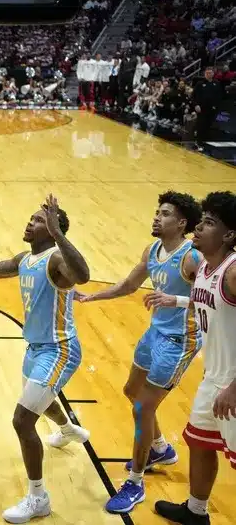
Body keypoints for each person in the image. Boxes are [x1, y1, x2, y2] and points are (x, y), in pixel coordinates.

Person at [0, 195, 91, 524]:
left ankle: (38, 498)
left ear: (51, 229)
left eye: (37, 220)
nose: (29, 223)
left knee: (22, 420)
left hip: (59, 349)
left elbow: (83, 276)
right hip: (35, 348)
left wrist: (59, 234)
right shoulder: (26, 258)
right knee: (42, 402)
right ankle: (67, 429)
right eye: (32, 219)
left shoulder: (56, 258)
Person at [75, 191, 203, 514]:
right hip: (155, 333)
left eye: (165, 213)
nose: (157, 217)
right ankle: (159, 448)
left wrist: (178, 301)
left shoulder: (192, 258)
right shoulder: (153, 250)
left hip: (180, 341)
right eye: (157, 211)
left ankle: (135, 481)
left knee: (142, 409)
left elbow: (212, 298)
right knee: (131, 391)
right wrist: (93, 297)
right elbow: (129, 285)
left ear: (182, 223)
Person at [151, 191, 236, 525]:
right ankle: (196, 512)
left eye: (210, 223)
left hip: (232, 382)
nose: (199, 227)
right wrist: (177, 300)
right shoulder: (205, 267)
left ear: (229, 235)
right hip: (214, 377)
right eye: (201, 220)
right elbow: (211, 304)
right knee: (199, 441)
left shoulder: (232, 272)